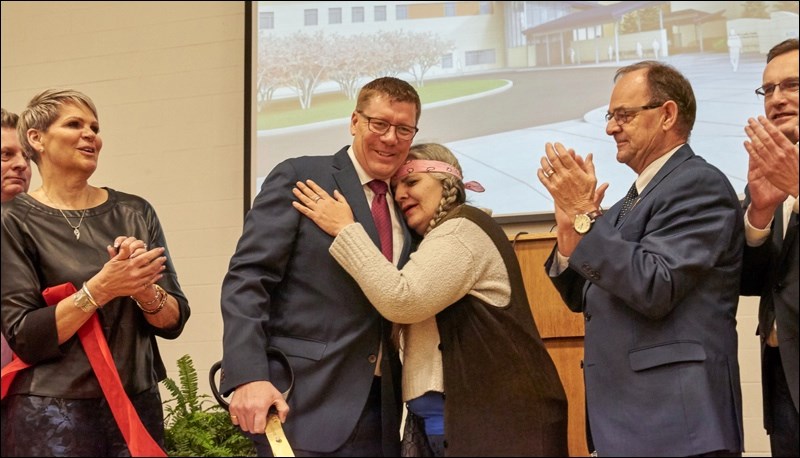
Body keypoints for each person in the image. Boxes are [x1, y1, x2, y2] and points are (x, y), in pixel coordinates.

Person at [292, 143, 568, 456]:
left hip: (495, 426)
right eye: (396, 188)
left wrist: (345, 229)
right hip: (456, 424)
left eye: (411, 182)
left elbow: (402, 300)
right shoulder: (441, 238)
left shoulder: (461, 231)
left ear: (446, 182)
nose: (399, 196)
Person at [537, 60, 744, 456]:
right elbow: (581, 294)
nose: (611, 127)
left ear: (667, 115)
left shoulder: (699, 184)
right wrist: (569, 231)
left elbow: (654, 286)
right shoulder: (623, 204)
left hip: (676, 424)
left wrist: (586, 213)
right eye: (610, 116)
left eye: (624, 115)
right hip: (630, 422)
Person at [220, 76, 420, 457]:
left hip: (382, 411)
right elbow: (248, 279)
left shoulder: (405, 202)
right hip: (302, 401)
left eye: (403, 129)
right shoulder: (303, 176)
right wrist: (248, 376)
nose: (391, 138)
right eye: (379, 123)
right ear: (354, 122)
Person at [0, 89, 191, 456]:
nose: (91, 135)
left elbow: (174, 321)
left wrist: (143, 289)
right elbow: (25, 335)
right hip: (51, 413)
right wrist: (101, 288)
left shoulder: (135, 211)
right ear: (36, 139)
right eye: (74, 124)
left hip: (134, 400)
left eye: (95, 127)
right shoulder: (12, 220)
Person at [740, 38, 799, 457]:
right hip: (782, 378)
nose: (777, 99)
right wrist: (758, 215)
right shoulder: (767, 174)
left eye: (792, 85)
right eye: (768, 90)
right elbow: (749, 281)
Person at [1, 107, 33, 457]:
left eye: (25, 154)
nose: (22, 164)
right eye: (5, 155)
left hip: (30, 403)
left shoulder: (49, 232)